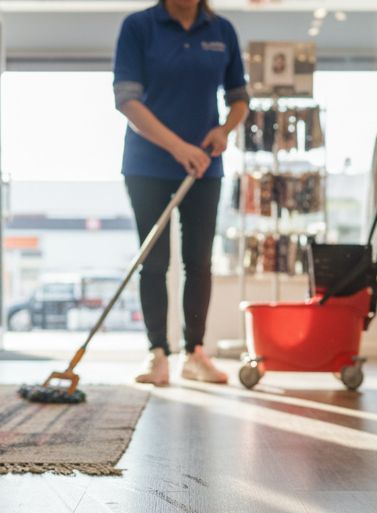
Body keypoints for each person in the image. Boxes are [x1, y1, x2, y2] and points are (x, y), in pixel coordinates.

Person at [112, 0, 249, 385]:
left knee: (199, 262)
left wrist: (224, 129)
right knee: (154, 261)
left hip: (204, 166)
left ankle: (195, 353)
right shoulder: (139, 27)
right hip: (147, 166)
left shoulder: (221, 31)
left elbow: (239, 98)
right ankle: (157, 353)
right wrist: (177, 148)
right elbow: (127, 101)